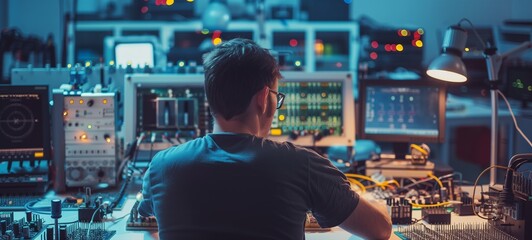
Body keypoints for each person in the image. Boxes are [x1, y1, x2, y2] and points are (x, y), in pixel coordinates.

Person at [138, 38, 392, 240]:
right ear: (262, 99)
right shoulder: (301, 165)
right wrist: (367, 198)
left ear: (210, 98)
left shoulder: (162, 166)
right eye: (276, 96)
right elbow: (380, 229)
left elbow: (147, 215)